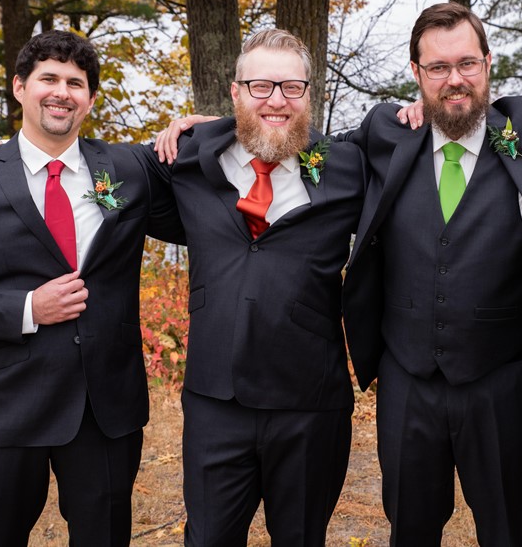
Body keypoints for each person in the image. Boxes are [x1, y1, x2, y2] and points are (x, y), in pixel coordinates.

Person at [157, 3, 522, 547]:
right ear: (416, 72)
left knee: (507, 529)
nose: (454, 79)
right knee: (408, 528)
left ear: (488, 65)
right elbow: (289, 139)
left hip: (503, 381)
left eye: (466, 63)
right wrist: (219, 124)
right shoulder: (386, 135)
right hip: (406, 383)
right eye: (438, 67)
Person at [0, 30, 180, 546]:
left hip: (105, 409)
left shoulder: (127, 168)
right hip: (6, 406)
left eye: (76, 83)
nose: (62, 92)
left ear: (91, 99)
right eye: (48, 78)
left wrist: (193, 124)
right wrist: (28, 308)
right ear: (19, 87)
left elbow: (219, 166)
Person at [134, 28, 364, 545]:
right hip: (216, 401)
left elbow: (413, 145)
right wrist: (8, 151)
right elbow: (96, 167)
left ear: (310, 94)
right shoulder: (189, 160)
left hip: (311, 404)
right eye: (260, 86)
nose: (276, 100)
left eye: (291, 87)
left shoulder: (347, 167)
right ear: (235, 93)